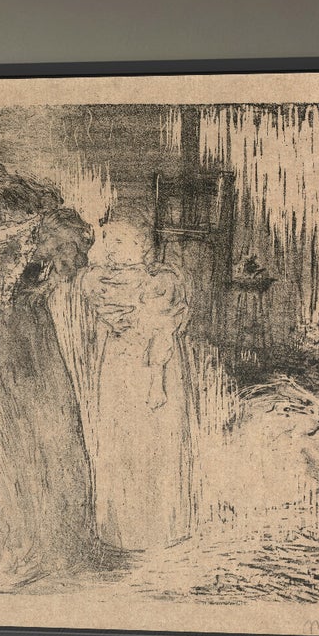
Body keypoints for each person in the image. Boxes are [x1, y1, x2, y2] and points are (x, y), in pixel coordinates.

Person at [0, 206, 111, 592]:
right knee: (7, 451)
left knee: (46, 447)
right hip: (7, 348)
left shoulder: (39, 264)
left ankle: (41, 551)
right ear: (50, 241)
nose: (79, 261)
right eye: (73, 250)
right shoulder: (8, 253)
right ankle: (7, 550)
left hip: (35, 349)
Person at [79, 221, 193, 550]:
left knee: (153, 444)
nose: (110, 246)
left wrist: (156, 383)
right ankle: (118, 530)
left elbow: (162, 332)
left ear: (141, 244)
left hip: (152, 369)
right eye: (106, 239)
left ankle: (157, 529)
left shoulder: (160, 281)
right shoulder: (98, 278)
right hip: (117, 365)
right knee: (118, 441)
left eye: (119, 239)